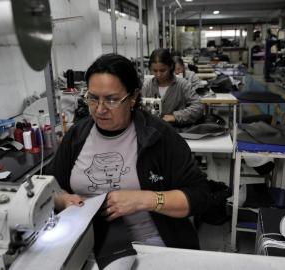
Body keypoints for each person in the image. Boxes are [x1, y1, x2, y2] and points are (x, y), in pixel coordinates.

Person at [47, 53, 212, 249]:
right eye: (92, 98)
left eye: (111, 100)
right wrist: (63, 200)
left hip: (150, 247)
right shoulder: (77, 136)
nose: (99, 109)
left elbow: (200, 196)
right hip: (87, 245)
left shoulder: (159, 136)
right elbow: (49, 187)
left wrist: (145, 200)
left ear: (132, 98)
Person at [142, 48, 204, 127]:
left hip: (177, 131)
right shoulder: (147, 86)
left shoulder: (183, 85)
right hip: (153, 131)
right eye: (154, 70)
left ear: (171, 66)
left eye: (162, 70)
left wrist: (176, 116)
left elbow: (199, 107)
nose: (158, 74)